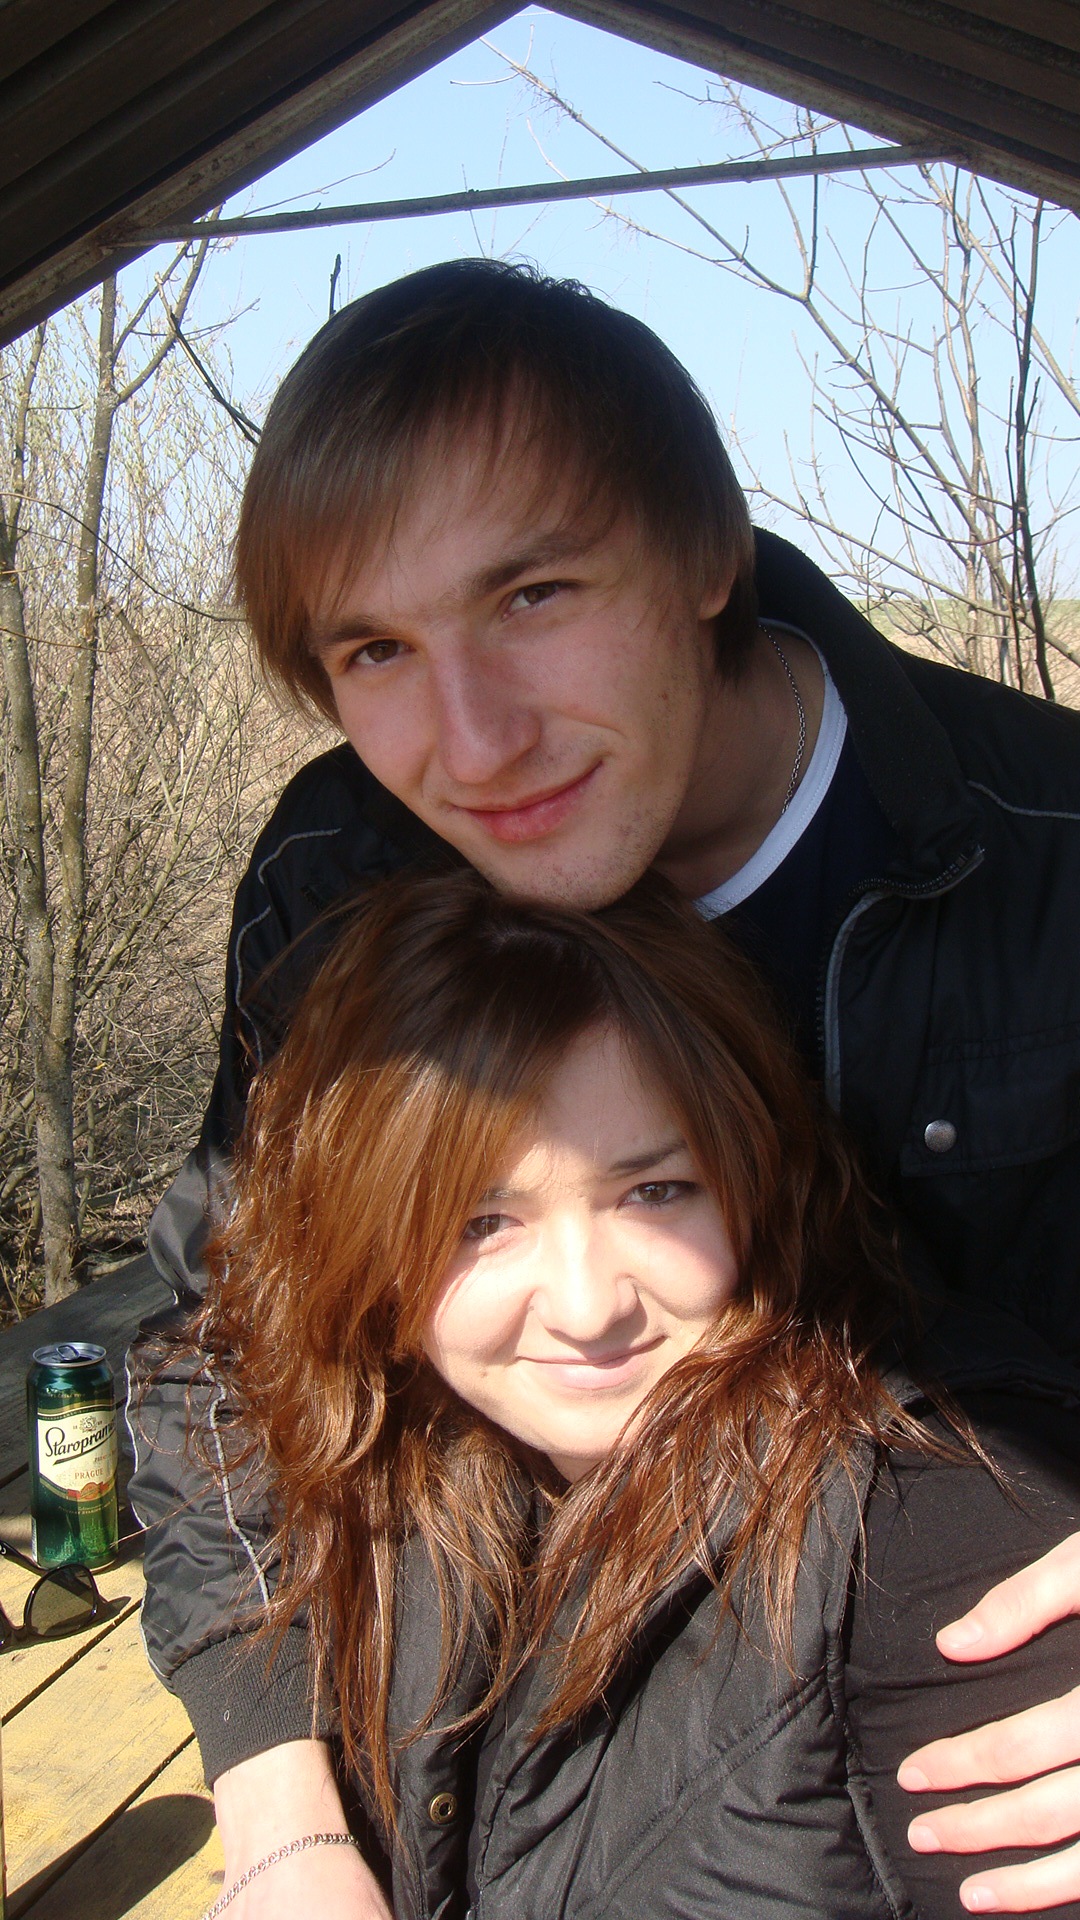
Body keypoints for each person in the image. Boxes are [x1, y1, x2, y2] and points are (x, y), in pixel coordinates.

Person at [128, 258, 1080, 1917]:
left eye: (534, 595)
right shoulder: (342, 870)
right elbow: (226, 1340)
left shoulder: (1048, 855)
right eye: (377, 646)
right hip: (496, 1775)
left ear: (708, 556)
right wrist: (283, 1818)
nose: (474, 743)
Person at [179, 869, 1080, 1920]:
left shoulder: (928, 1530)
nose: (588, 1306)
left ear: (754, 1181)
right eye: (482, 1223)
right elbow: (198, 1397)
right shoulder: (421, 1455)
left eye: (656, 1191)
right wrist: (286, 1832)